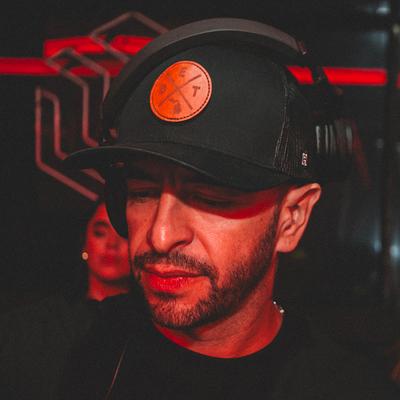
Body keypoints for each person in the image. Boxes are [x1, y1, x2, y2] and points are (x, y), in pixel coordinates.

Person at [1, 18, 398, 400]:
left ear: (291, 218)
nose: (160, 235)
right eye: (143, 192)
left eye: (211, 199)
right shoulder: (38, 353)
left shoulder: (351, 389)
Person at [82, 201, 130, 300]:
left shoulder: (155, 309)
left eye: (124, 235)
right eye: (100, 233)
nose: (112, 243)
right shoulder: (54, 307)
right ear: (84, 242)